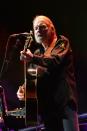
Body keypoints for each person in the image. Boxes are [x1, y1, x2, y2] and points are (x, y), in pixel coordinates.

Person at [17, 15, 80, 131]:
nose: (38, 30)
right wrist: (24, 89)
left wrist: (32, 58)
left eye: (42, 27)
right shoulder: (37, 52)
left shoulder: (62, 42)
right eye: (35, 28)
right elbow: (34, 79)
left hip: (64, 104)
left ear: (52, 29)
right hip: (48, 109)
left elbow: (54, 61)